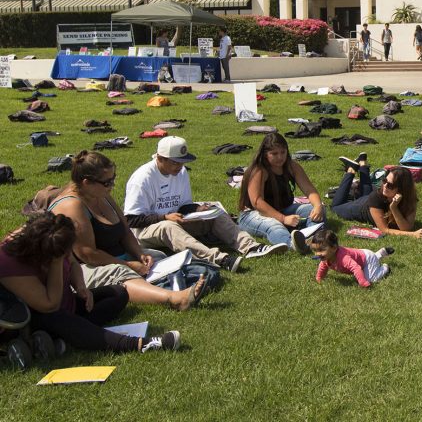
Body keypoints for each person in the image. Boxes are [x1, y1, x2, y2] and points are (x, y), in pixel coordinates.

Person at [0, 212, 181, 354]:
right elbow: (49, 305)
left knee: (118, 293)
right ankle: (139, 344)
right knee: (60, 319)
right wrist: (56, 262)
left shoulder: (50, 233)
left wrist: (80, 286)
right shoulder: (8, 260)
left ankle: (69, 337)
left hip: (66, 303)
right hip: (40, 317)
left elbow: (72, 263)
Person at [47, 151, 205, 311]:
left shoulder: (101, 194)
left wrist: (139, 254)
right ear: (87, 182)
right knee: (120, 272)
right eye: (107, 182)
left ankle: (157, 286)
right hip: (82, 269)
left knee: (158, 257)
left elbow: (125, 230)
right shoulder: (72, 206)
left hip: (117, 256)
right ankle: (174, 299)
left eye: (113, 179)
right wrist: (128, 264)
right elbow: (88, 254)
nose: (112, 185)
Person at [124, 136, 287, 272]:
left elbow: (184, 205)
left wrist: (198, 209)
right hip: (145, 231)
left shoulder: (180, 172)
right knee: (168, 226)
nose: (180, 166)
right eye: (175, 162)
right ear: (159, 158)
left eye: (182, 162)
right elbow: (131, 220)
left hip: (176, 219)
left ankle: (251, 247)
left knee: (216, 214)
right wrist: (165, 217)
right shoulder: (142, 179)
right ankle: (219, 259)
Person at [237, 132, 327, 252]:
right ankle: (292, 244)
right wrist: (283, 219)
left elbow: (309, 190)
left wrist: (317, 206)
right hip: (253, 214)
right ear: (265, 154)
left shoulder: (291, 166)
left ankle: (314, 237)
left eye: (283, 152)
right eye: (274, 154)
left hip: (283, 209)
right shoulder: (259, 170)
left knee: (317, 210)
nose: (280, 157)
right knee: (274, 226)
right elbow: (257, 202)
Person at [330, 153, 422, 238]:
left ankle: (362, 164)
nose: (384, 186)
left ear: (402, 189)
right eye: (385, 181)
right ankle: (350, 171)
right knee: (335, 207)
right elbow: (384, 229)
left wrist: (394, 208)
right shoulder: (376, 197)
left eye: (390, 185)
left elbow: (407, 227)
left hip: (369, 199)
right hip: (360, 207)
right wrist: (413, 235)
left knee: (367, 193)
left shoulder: (410, 199)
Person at [307, 229, 393, 288]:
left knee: (371, 279)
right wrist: (319, 279)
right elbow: (323, 267)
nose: (318, 254)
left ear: (334, 248)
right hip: (362, 255)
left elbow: (356, 268)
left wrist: (363, 282)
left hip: (367, 259)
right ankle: (380, 253)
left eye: (321, 250)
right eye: (315, 250)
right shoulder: (326, 257)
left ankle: (385, 268)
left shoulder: (344, 258)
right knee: (370, 265)